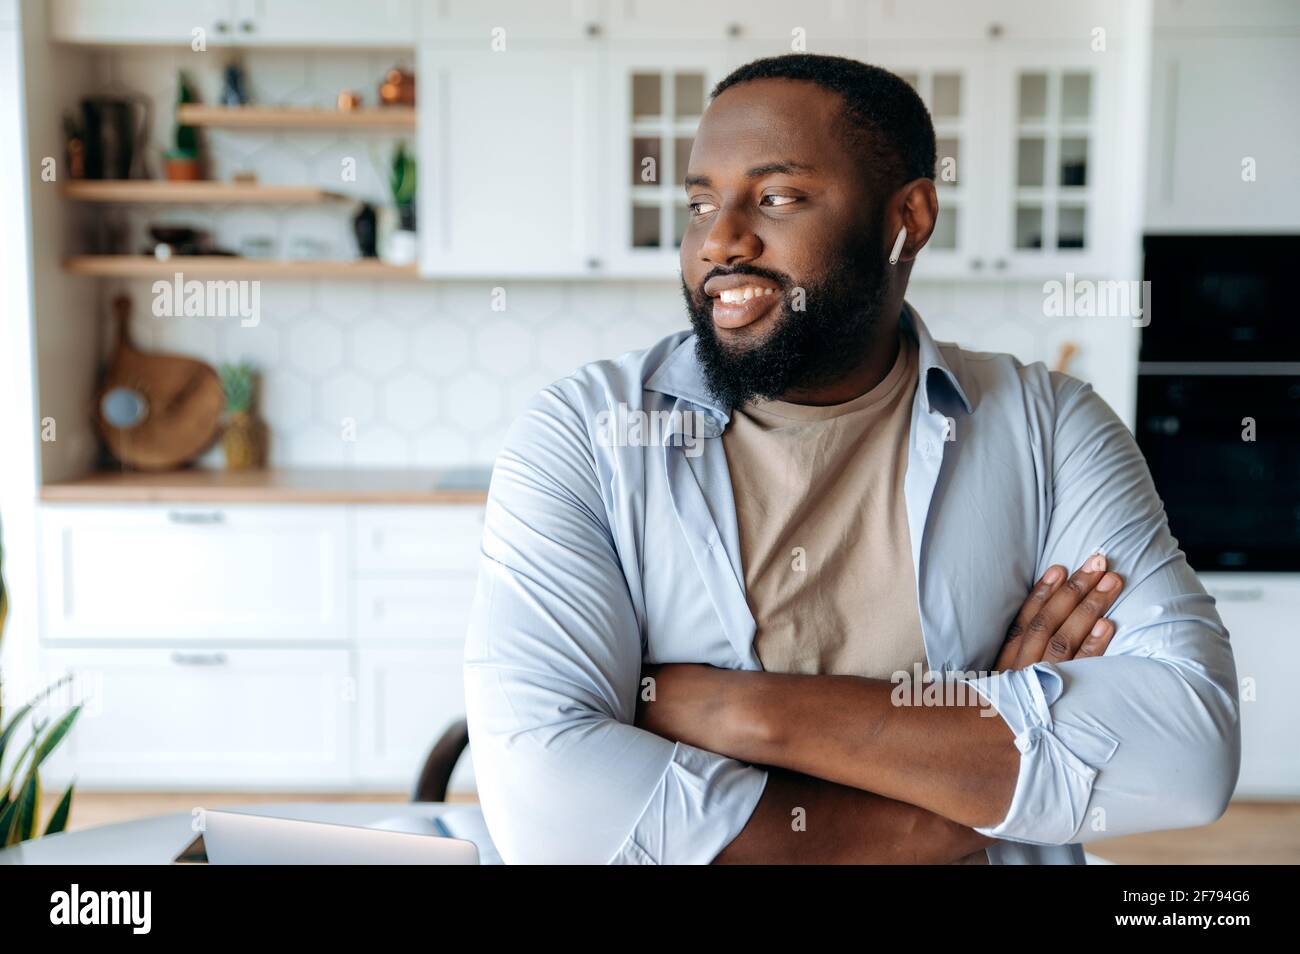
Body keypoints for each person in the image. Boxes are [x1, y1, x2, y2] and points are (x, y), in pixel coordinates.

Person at [463, 54, 1239, 864]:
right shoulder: (586, 435)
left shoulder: (1049, 426)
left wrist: (744, 713)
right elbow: (548, 808)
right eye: (700, 203)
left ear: (908, 216)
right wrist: (963, 778)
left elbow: (1188, 749)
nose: (719, 239)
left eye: (778, 197)